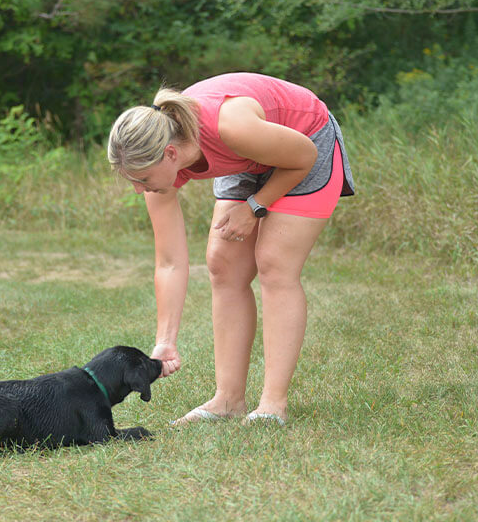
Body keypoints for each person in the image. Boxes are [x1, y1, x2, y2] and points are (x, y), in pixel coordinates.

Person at [107, 72, 355, 425]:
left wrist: (255, 206)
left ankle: (273, 405)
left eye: (142, 179)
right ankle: (228, 399)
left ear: (171, 154)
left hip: (304, 141)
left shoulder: (231, 128)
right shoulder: (167, 160)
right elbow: (170, 263)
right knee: (223, 264)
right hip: (247, 156)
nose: (137, 189)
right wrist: (165, 341)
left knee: (274, 263)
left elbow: (303, 156)